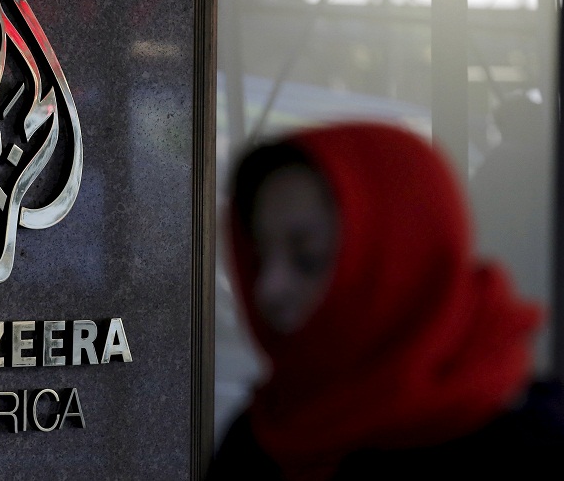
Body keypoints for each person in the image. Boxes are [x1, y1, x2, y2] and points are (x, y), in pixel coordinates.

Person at [208, 122, 564, 480]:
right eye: (257, 259)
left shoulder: (528, 450)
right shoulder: (262, 441)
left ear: (403, 262)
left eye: (308, 258)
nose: (268, 288)